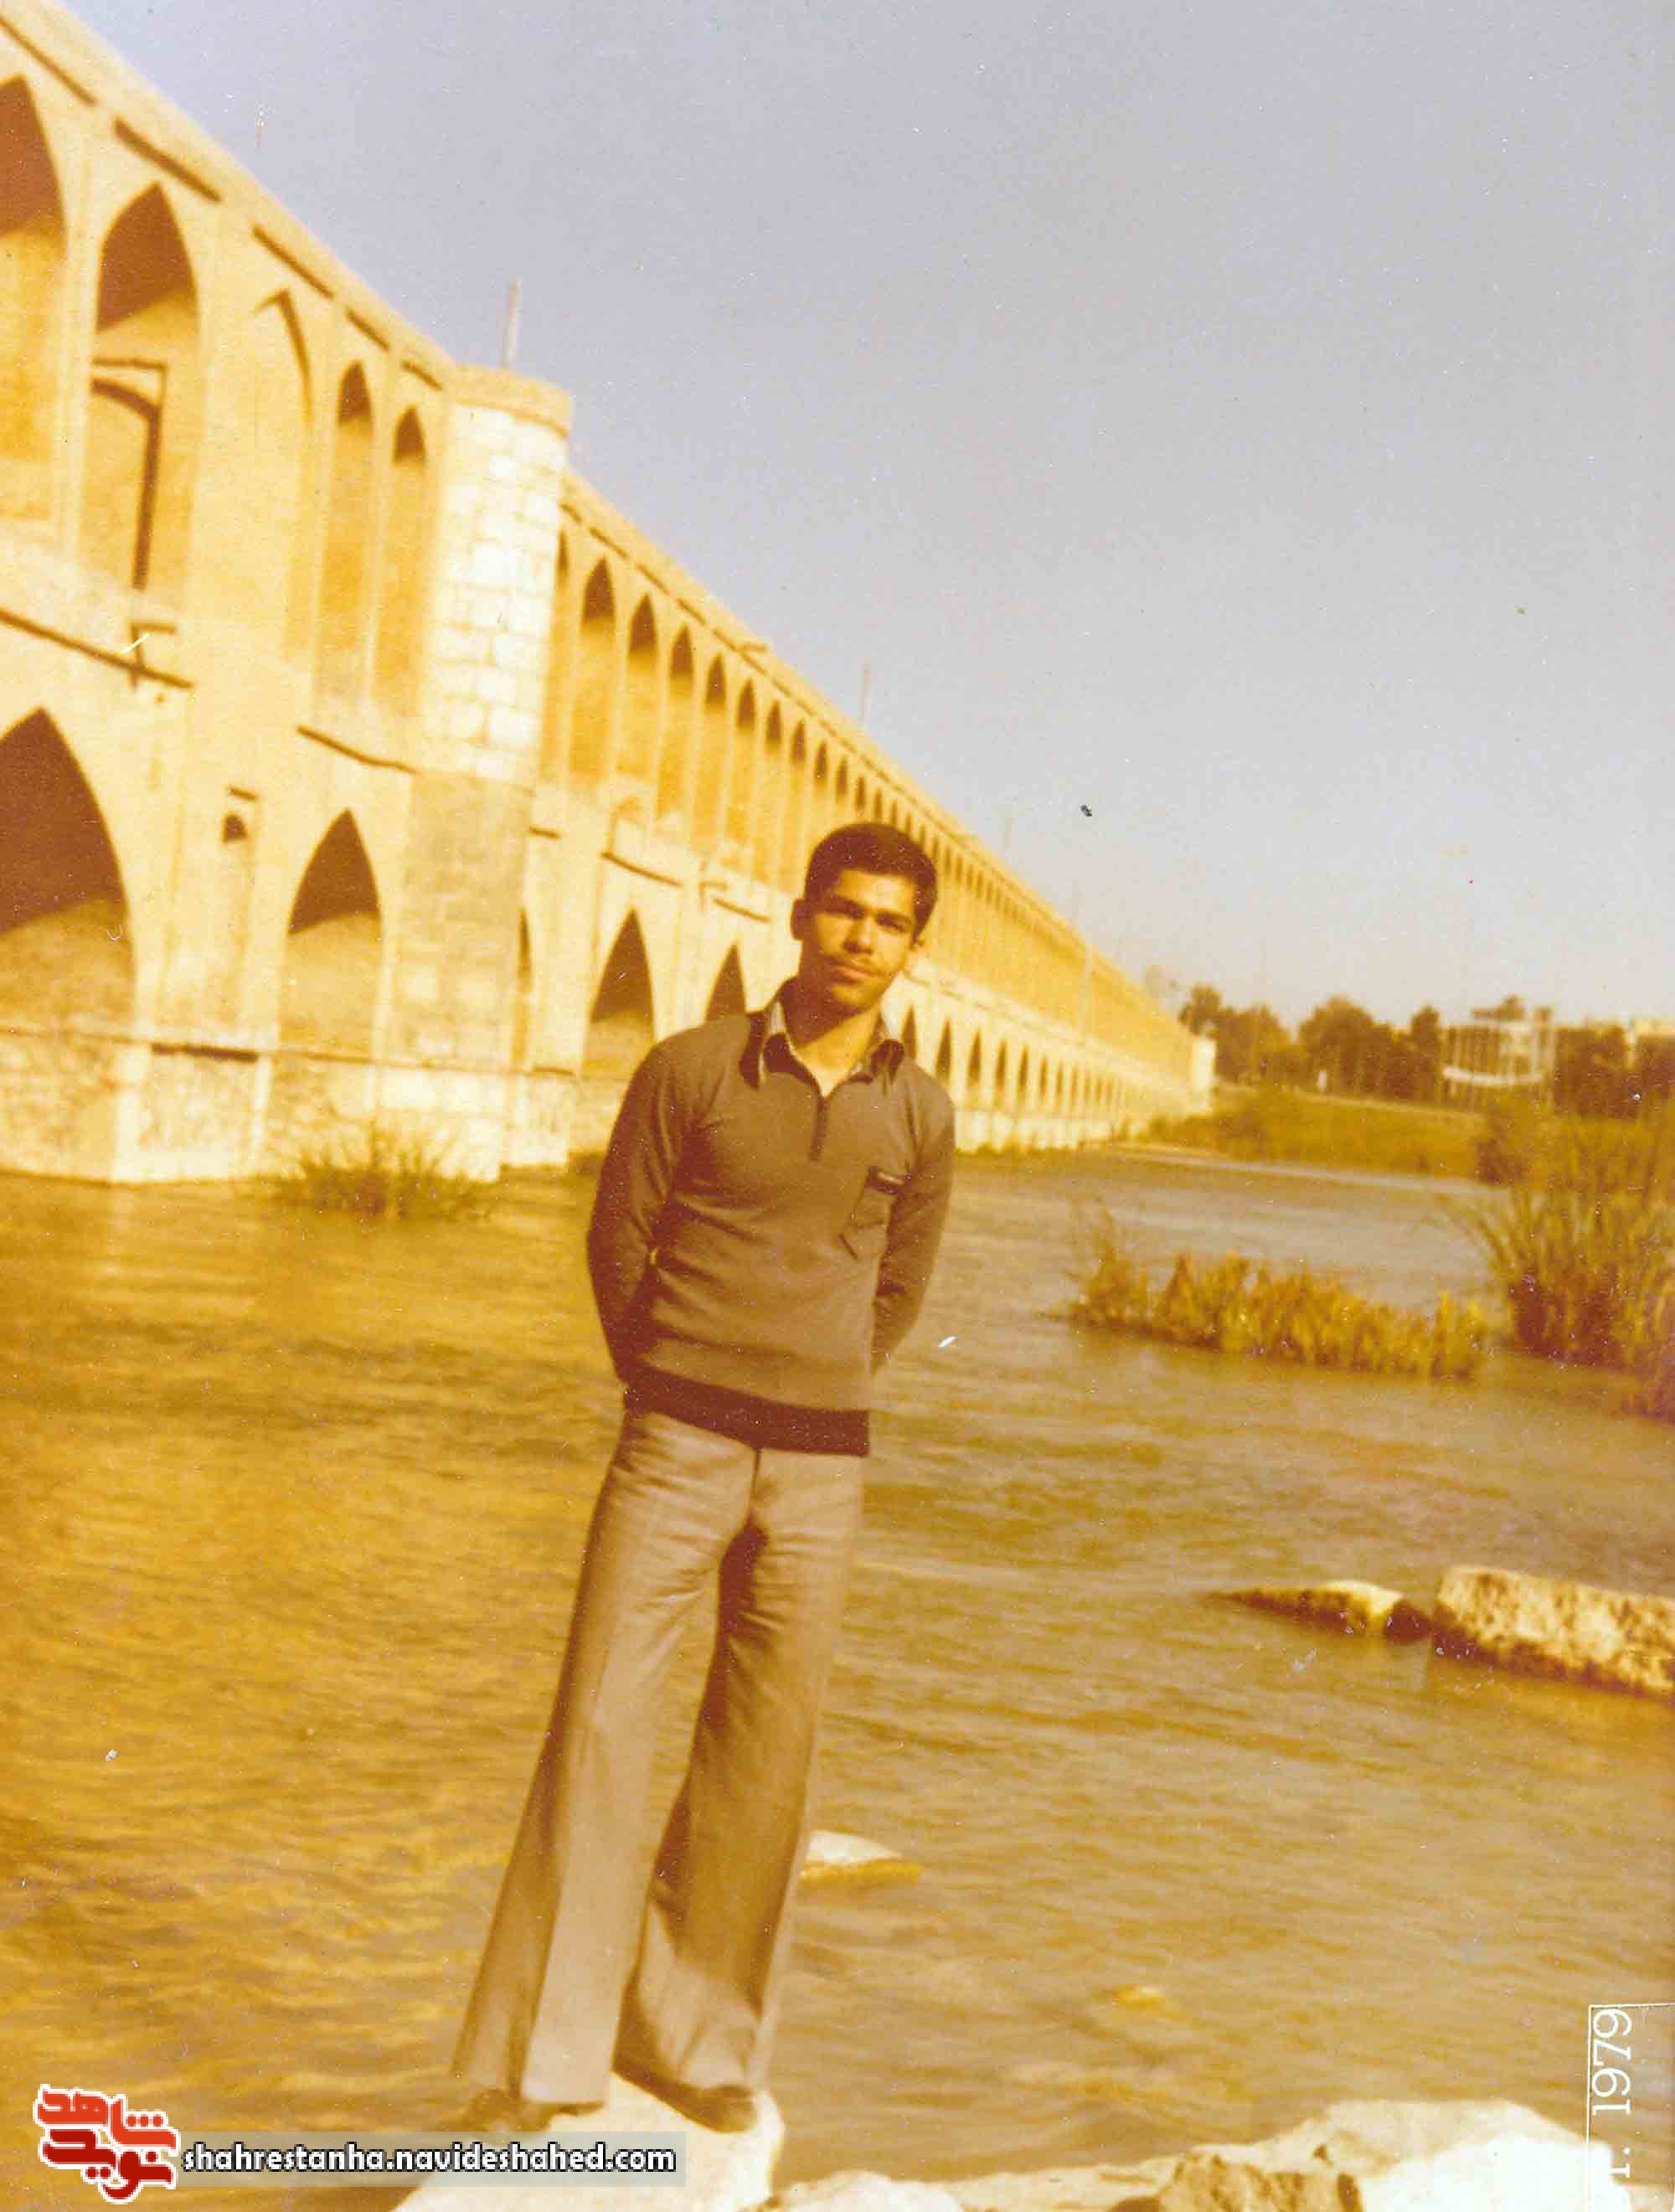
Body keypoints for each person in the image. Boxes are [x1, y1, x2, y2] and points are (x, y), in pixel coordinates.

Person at [453, 822, 956, 2135]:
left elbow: (899, 1285)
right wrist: (672, 1378)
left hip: (821, 1465)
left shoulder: (920, 1109)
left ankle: (698, 2044)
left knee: (764, 1752)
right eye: (843, 910)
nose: (860, 939)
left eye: (889, 922)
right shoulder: (687, 1068)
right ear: (799, 915)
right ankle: (543, 2064)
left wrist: (818, 1380)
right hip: (673, 1442)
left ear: (913, 948)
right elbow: (617, 1239)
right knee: (601, 1724)